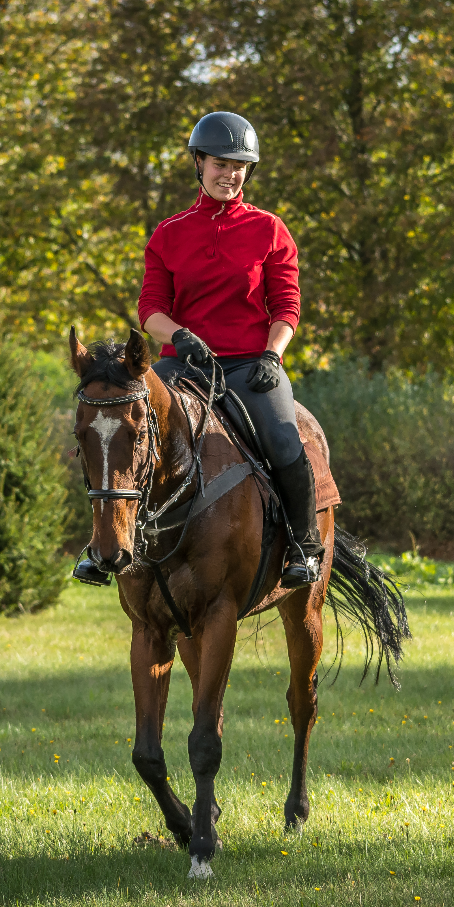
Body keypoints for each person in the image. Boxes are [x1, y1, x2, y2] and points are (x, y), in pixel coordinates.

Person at [135, 110, 327, 589]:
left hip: (250, 366)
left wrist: (272, 354)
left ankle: (304, 545)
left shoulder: (270, 230)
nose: (230, 174)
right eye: (220, 163)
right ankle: (111, 545)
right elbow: (150, 309)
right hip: (183, 366)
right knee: (124, 429)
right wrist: (178, 335)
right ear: (198, 163)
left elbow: (287, 304)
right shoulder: (168, 233)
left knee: (285, 438)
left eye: (240, 166)